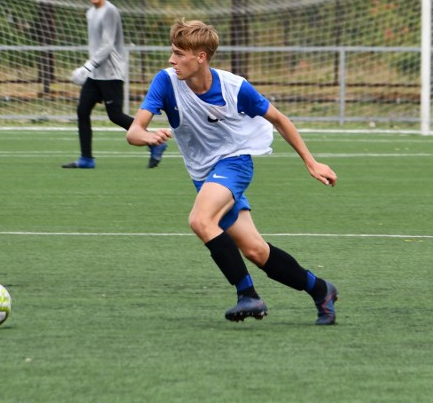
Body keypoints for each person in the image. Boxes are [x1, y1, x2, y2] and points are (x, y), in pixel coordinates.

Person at [127, 18, 339, 324]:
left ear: (200, 57)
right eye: (172, 51)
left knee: (200, 220)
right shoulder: (165, 81)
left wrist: (311, 161)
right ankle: (322, 290)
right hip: (204, 176)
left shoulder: (234, 87)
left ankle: (248, 295)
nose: (171, 59)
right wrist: (145, 136)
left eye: (179, 53)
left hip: (235, 163)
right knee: (255, 250)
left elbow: (279, 119)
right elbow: (133, 131)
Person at [62, 0, 167, 169]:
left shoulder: (110, 11)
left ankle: (155, 141)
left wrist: (87, 66)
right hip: (95, 74)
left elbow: (108, 45)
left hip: (111, 74)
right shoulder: (90, 13)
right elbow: (95, 46)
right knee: (82, 111)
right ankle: (86, 159)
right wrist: (90, 69)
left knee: (115, 115)